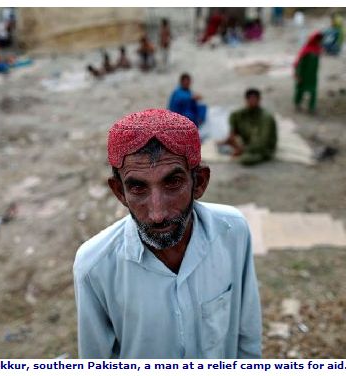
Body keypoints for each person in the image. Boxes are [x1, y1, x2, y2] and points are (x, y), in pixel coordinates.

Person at [73, 108, 262, 359]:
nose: (158, 213)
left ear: (200, 182)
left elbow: (247, 336)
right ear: (119, 192)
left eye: (172, 183)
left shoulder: (232, 232)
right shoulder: (94, 267)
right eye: (138, 187)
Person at [218, 89, 277, 166]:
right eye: (250, 99)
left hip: (263, 147)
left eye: (254, 100)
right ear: (246, 100)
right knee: (237, 117)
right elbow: (233, 115)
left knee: (246, 159)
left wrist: (242, 149)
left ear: (259, 100)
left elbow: (263, 142)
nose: (252, 102)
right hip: (248, 141)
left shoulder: (266, 118)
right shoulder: (244, 112)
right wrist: (232, 133)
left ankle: (244, 150)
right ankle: (235, 144)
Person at [294, 31, 323, 114]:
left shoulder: (317, 50)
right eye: (318, 40)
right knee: (300, 90)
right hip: (303, 75)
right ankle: (297, 104)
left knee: (313, 91)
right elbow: (299, 63)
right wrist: (298, 74)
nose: (319, 42)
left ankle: (311, 107)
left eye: (320, 40)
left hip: (313, 76)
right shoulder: (306, 50)